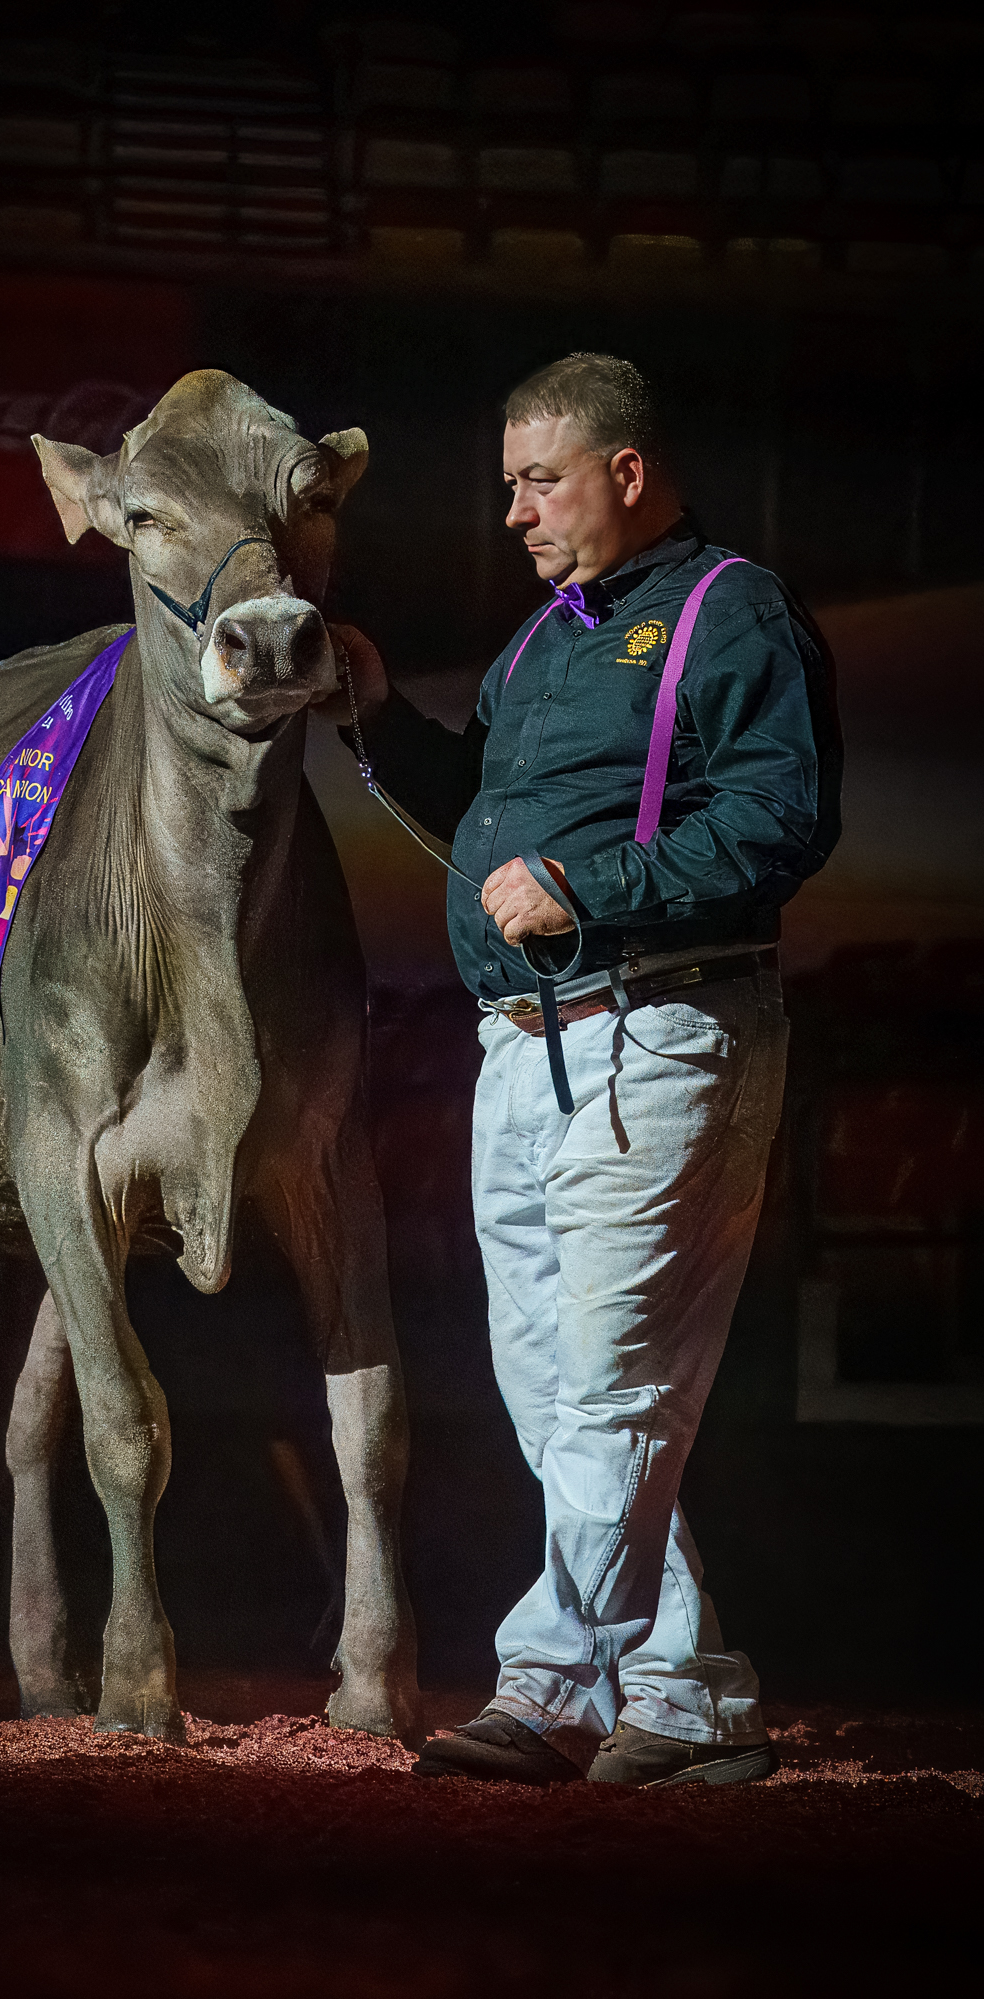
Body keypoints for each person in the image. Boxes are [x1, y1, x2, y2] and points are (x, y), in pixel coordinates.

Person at [321, 352, 841, 1787]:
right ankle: (687, 1695)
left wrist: (586, 887)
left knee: (607, 1387)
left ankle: (549, 1684)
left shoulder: (733, 610)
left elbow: (784, 820)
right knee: (558, 1393)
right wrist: (377, 715)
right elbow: (481, 818)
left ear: (626, 470)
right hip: (523, 1045)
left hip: (661, 1032)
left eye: (537, 482)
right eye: (509, 486)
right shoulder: (545, 636)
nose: (514, 514)